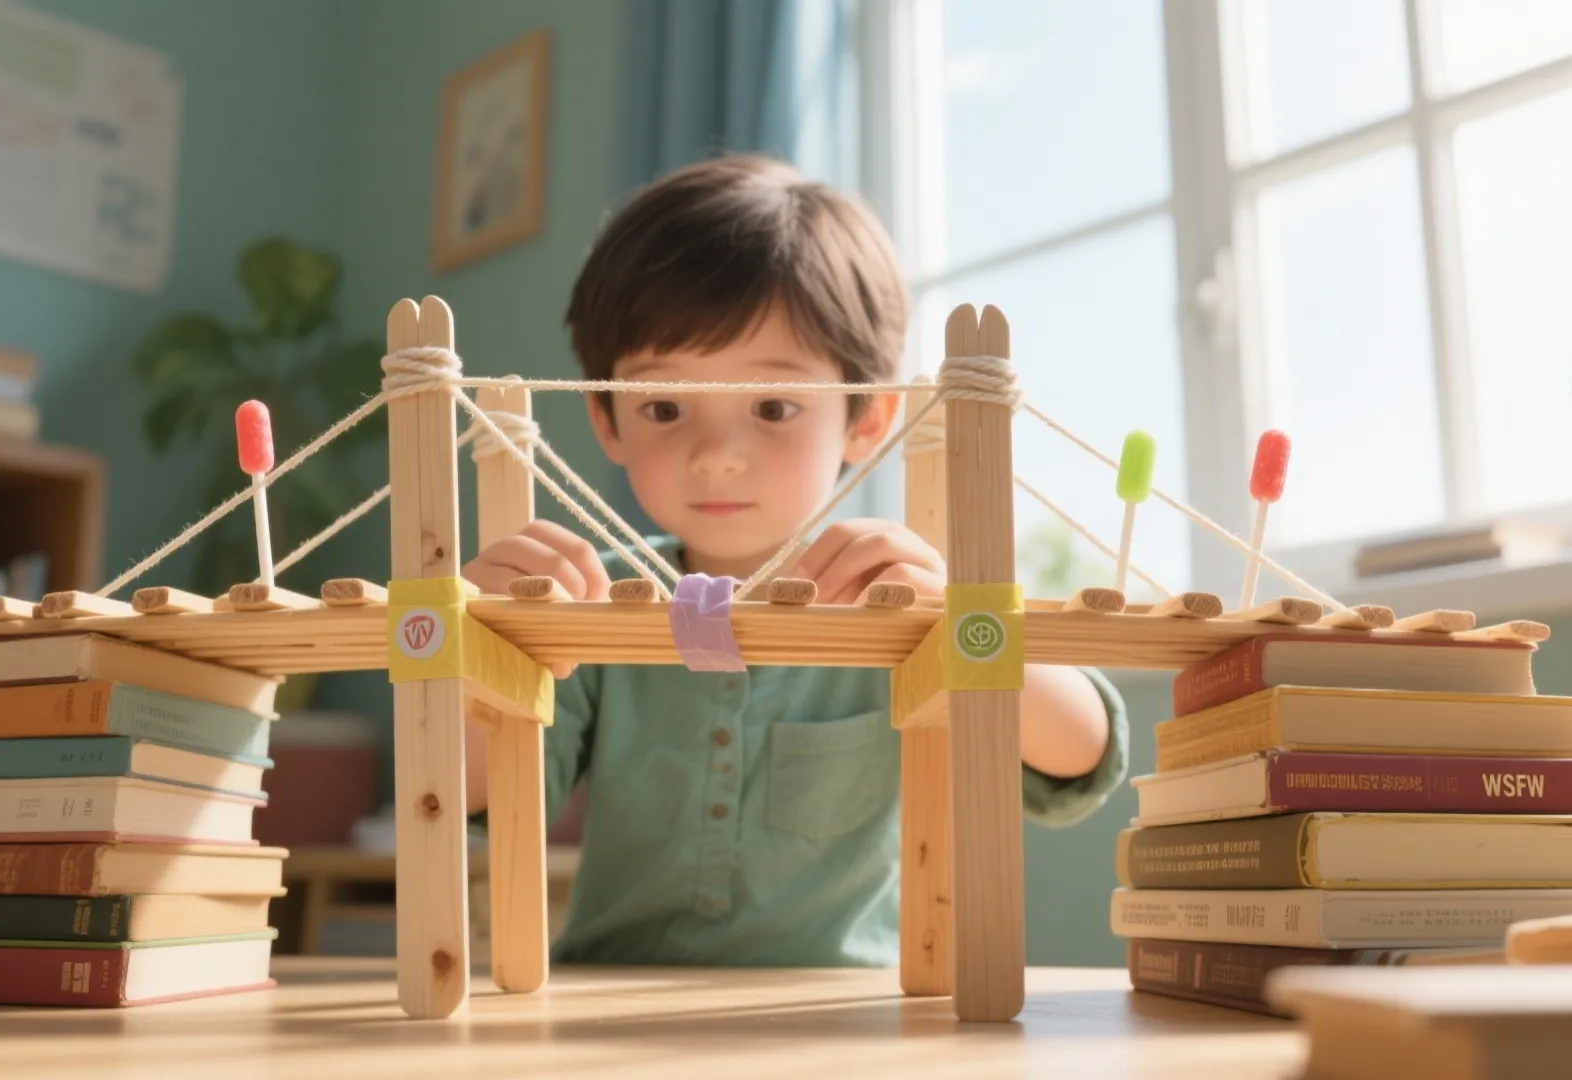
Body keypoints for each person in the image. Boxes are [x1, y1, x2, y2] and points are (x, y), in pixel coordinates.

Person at [462, 154, 1127, 967]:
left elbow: (1083, 760)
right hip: (614, 1006)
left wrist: (967, 623)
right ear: (606, 419)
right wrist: (471, 660)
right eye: (663, 407)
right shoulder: (591, 599)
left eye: (774, 406)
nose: (716, 455)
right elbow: (475, 800)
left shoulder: (904, 596)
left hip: (857, 1020)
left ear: (867, 419)